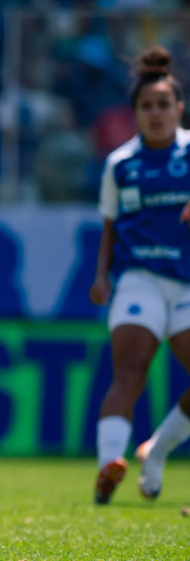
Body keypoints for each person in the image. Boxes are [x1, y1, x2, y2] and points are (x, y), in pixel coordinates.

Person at [89, 47, 190, 504]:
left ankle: (156, 450)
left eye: (163, 104)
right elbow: (109, 227)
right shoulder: (120, 164)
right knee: (129, 371)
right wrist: (101, 277)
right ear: (135, 113)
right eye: (147, 106)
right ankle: (110, 463)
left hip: (187, 283)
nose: (155, 113)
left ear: (179, 108)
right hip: (139, 278)